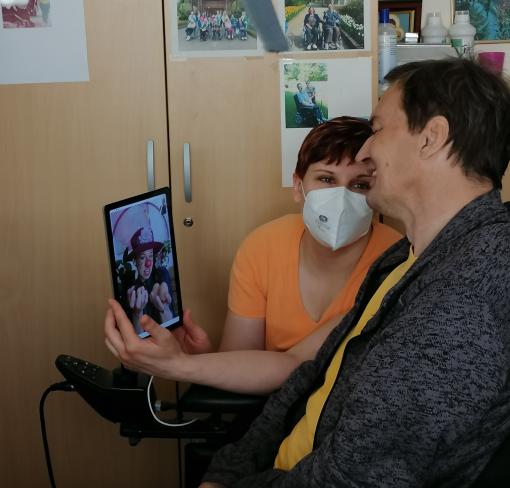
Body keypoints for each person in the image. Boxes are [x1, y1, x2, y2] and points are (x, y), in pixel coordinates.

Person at [192, 58, 510, 487]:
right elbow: (312, 380)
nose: (364, 152)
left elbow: (353, 479)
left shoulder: (465, 295)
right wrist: (230, 468)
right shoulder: (408, 257)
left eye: (378, 129)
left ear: (431, 138)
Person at [105, 117, 402, 396]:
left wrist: (181, 365)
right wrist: (198, 359)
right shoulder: (263, 247)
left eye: (360, 185)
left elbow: (297, 363)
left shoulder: (398, 259)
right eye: (326, 179)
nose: (341, 198)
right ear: (298, 186)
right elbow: (242, 361)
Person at [120, 226, 173, 335]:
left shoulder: (161, 275)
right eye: (142, 257)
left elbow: (171, 327)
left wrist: (164, 308)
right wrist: (137, 313)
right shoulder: (131, 291)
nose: (148, 263)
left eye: (150, 256)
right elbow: (137, 336)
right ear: (135, 261)